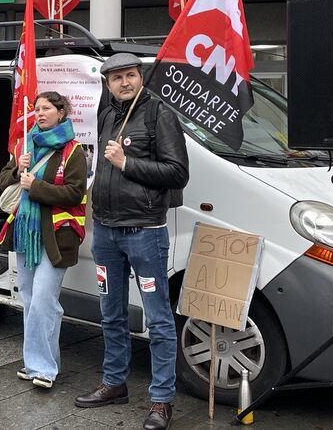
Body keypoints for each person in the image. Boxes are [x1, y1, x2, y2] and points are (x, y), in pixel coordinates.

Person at [75, 54, 189, 430]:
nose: (124, 82)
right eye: (117, 78)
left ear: (140, 78)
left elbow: (177, 173)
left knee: (158, 319)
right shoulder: (107, 114)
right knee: (111, 313)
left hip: (144, 231)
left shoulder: (159, 114)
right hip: (106, 231)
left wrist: (127, 163)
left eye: (130, 75)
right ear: (107, 84)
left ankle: (161, 400)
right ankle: (114, 383)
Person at [0, 91, 87, 389]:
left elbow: (75, 193)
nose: (40, 113)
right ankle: (40, 362)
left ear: (61, 112)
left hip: (57, 237)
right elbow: (2, 181)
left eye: (47, 108)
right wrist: (14, 168)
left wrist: (36, 186)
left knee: (44, 302)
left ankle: (44, 368)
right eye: (37, 109)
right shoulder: (26, 143)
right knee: (31, 299)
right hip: (26, 234)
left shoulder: (74, 151)